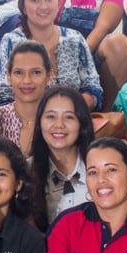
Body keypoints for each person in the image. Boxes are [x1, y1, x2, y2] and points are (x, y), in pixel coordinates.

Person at [0, 0, 102, 109]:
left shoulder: (75, 38)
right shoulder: (10, 42)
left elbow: (94, 90)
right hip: (24, 120)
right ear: (23, 7)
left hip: (71, 116)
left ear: (59, 3)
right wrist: (44, 114)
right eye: (35, 0)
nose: (43, 6)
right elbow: (0, 98)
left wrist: (70, 109)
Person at [30, 86, 95, 225]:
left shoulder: (99, 168)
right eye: (51, 116)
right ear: (39, 122)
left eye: (69, 117)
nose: (59, 125)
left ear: (81, 123)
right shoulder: (26, 171)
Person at [0, 41, 52, 154]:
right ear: (9, 77)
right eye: (18, 72)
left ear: (49, 77)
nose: (27, 80)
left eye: (36, 72)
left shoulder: (58, 121)